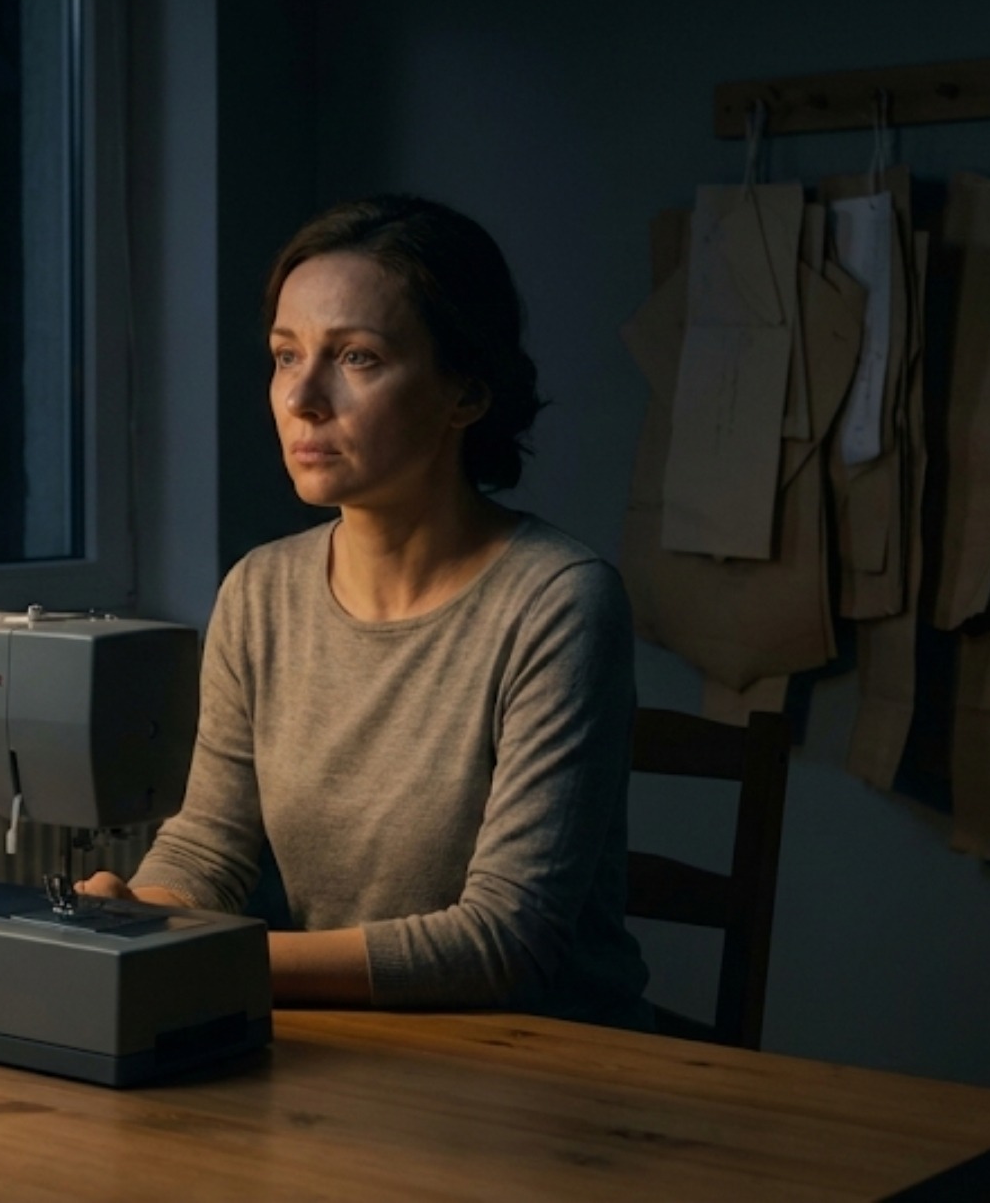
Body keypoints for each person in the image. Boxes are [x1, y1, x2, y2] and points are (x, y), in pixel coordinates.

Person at [79, 194, 651, 1028]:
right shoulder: (260, 592)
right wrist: (137, 910)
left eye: (357, 357)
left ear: (465, 390)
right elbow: (209, 848)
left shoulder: (558, 602)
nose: (302, 397)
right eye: (284, 356)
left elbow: (506, 941)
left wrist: (201, 957)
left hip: (546, 1073)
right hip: (346, 1050)